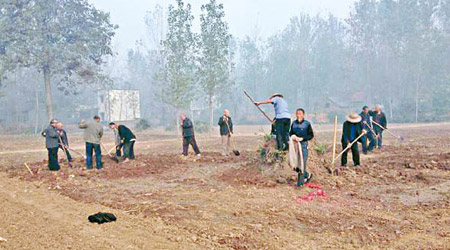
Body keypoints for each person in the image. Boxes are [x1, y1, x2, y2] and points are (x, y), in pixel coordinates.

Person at [289, 108, 314, 186]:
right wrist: (293, 137)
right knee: (296, 165)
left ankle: (300, 184)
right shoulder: (293, 124)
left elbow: (311, 135)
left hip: (303, 145)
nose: (298, 115)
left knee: (302, 163)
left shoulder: (307, 124)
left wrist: (302, 138)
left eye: (300, 113)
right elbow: (290, 133)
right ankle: (307, 175)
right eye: (297, 113)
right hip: (295, 145)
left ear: (303, 115)